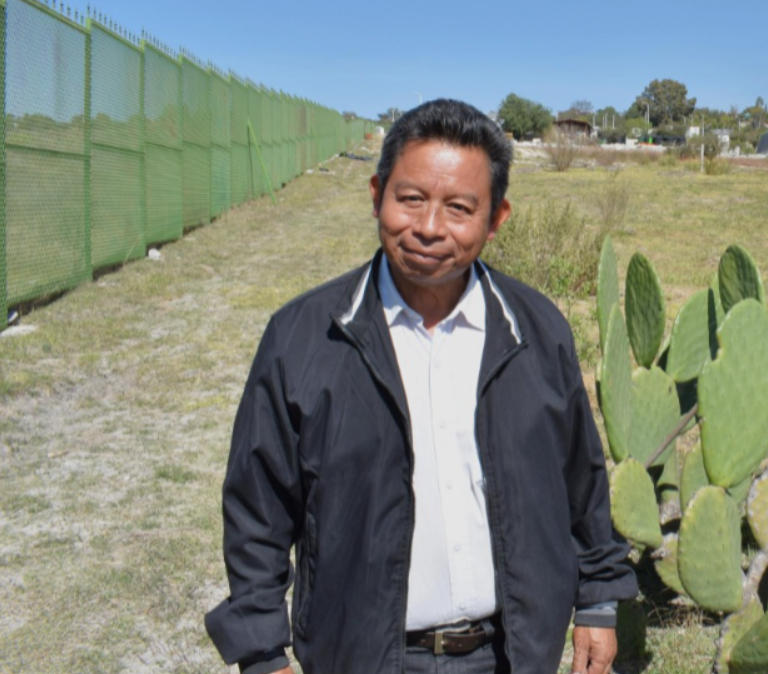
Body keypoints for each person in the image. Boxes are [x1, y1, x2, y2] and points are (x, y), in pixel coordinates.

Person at [205, 99, 638, 674]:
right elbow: (257, 508)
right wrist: (261, 653)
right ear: (376, 194)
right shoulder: (304, 338)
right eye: (410, 199)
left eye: (459, 208)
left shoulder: (535, 331)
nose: (430, 228)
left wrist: (599, 602)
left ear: (496, 218)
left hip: (509, 655)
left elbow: (581, 480)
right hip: (361, 658)